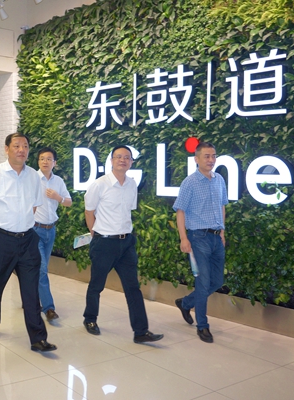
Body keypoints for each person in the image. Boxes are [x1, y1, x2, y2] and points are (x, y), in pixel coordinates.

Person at [0, 133, 57, 353]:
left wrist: (22, 223)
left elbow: (35, 205)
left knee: (31, 290)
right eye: (16, 145)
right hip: (1, 239)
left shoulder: (34, 177)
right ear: (7, 149)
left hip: (28, 239)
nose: (21, 150)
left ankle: (38, 338)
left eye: (25, 146)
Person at [83, 145, 164, 344]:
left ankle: (140, 331)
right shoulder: (99, 184)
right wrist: (95, 234)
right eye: (118, 157)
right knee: (97, 285)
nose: (123, 160)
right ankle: (90, 319)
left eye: (127, 157)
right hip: (104, 242)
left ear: (131, 162)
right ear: (111, 160)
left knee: (133, 287)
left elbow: (128, 211)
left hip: (126, 243)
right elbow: (89, 211)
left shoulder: (131, 184)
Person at [173, 142, 228, 343]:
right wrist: (183, 238)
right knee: (203, 282)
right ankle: (202, 326)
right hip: (198, 237)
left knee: (217, 281)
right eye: (206, 156)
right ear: (196, 159)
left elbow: (222, 206)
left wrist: (222, 231)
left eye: (213, 156)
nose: (211, 160)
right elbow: (180, 211)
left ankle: (186, 303)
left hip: (216, 237)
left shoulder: (219, 179)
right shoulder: (190, 182)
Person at [33, 147, 72, 321]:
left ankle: (30, 295)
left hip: (51, 230)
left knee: (40, 269)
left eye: (49, 159)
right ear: (38, 161)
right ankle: (49, 308)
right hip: (35, 230)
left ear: (54, 163)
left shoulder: (58, 181)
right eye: (42, 158)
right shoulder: (32, 179)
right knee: (42, 270)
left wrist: (58, 197)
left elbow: (69, 202)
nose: (45, 162)